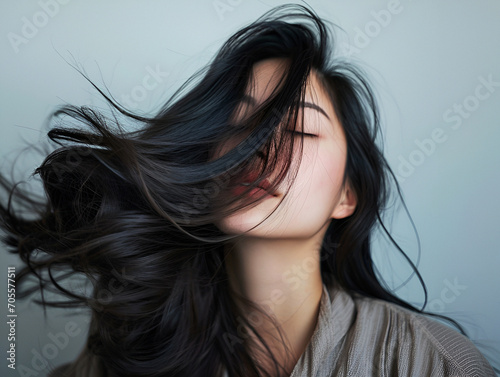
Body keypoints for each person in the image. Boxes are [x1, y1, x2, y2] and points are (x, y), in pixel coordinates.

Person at [0, 4, 497, 377]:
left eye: (300, 130)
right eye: (241, 124)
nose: (261, 149)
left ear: (349, 195)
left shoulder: (431, 361)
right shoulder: (129, 348)